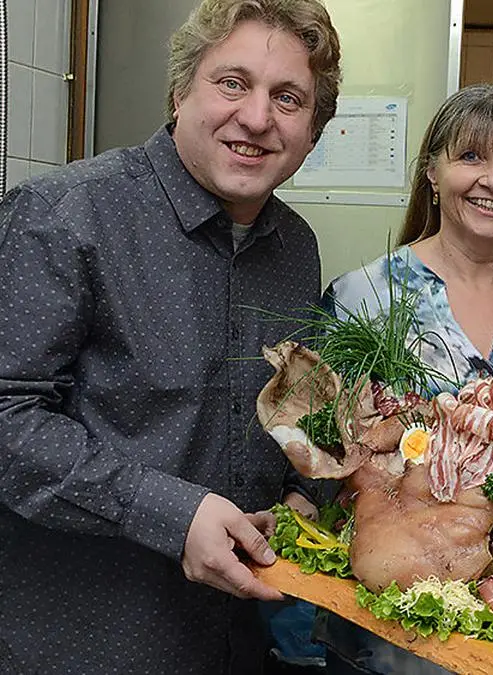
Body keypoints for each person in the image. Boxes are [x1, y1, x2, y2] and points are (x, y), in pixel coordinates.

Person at [0, 1, 341, 673]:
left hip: (238, 640)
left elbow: (291, 411)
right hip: (84, 642)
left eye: (289, 98)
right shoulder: (64, 216)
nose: (256, 118)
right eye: (232, 83)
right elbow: (8, 420)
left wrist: (306, 495)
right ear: (181, 90)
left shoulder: (295, 249)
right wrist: (174, 512)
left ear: (313, 131)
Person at [313, 82, 493, 675]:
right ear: (432, 173)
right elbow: (325, 448)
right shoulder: (363, 295)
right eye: (471, 157)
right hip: (389, 614)